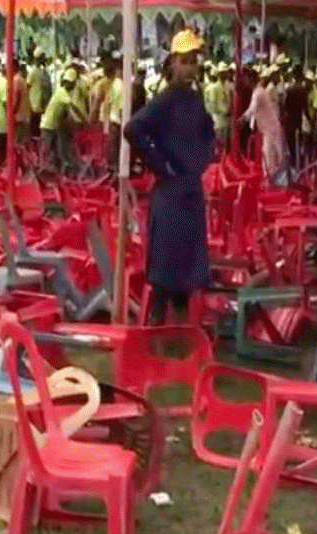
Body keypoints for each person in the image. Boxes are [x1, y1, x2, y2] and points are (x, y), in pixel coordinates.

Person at [124, 29, 215, 326]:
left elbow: (207, 133)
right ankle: (154, 338)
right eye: (186, 60)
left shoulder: (195, 98)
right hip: (171, 196)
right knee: (164, 276)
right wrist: (161, 165)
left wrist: (203, 158)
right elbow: (133, 129)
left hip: (190, 193)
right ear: (174, 62)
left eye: (194, 60)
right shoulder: (165, 100)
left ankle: (180, 342)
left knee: (187, 276)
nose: (191, 66)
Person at [242, 65, 287, 182]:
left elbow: (252, 109)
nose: (244, 81)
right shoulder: (259, 91)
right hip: (270, 129)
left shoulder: (258, 93)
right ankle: (273, 180)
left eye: (245, 78)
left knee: (269, 157)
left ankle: (272, 183)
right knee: (272, 156)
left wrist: (241, 119)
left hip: (271, 130)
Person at [39, 68, 83, 174]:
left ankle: (53, 171)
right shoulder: (62, 92)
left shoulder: (63, 93)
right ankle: (43, 171)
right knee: (47, 150)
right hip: (48, 125)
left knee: (54, 151)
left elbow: (68, 112)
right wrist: (83, 119)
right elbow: (73, 108)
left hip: (52, 125)